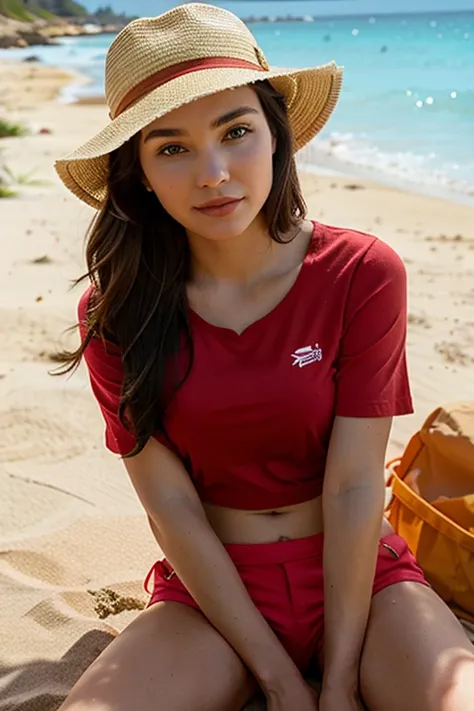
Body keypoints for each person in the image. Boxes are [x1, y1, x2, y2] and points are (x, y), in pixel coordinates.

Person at [54, 4, 474, 711]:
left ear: (276, 137)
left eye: (236, 131)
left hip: (364, 576)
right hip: (213, 592)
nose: (214, 172)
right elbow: (171, 506)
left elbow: (351, 485)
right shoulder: (114, 313)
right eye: (172, 148)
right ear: (140, 175)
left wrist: (337, 682)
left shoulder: (362, 273)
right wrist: (278, 679)